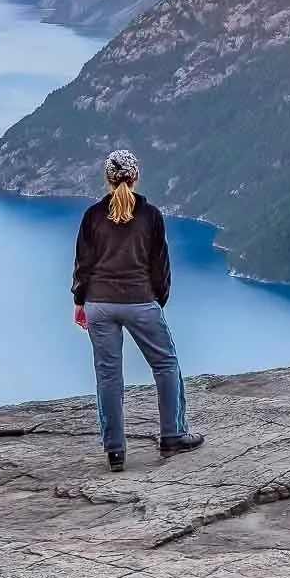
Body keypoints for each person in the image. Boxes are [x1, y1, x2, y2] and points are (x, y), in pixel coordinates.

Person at [72, 149, 204, 472]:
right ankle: (173, 435)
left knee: (108, 375)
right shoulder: (150, 215)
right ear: (136, 178)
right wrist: (158, 299)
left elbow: (83, 265)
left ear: (107, 179)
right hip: (140, 301)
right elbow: (160, 266)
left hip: (99, 305)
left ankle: (115, 451)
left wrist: (79, 302)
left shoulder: (92, 216)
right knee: (165, 364)